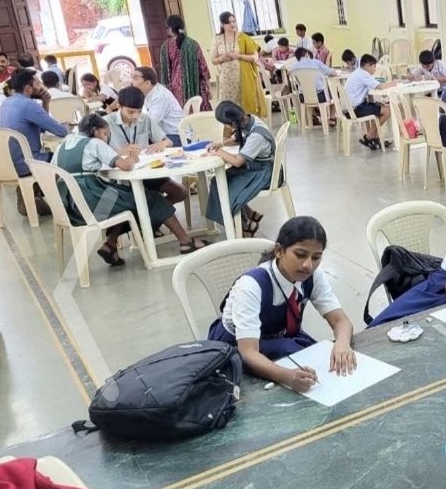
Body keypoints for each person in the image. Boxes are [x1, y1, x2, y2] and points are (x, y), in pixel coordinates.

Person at [208, 215, 356, 392]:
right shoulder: (251, 286)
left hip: (279, 337)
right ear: (279, 251)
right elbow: (248, 352)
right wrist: (288, 377)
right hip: (238, 347)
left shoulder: (313, 277)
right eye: (300, 255)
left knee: (320, 359)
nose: (308, 265)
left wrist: (342, 343)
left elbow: (341, 320)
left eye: (316, 257)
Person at [53, 112, 206, 265]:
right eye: (105, 134)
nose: (106, 138)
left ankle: (110, 245)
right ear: (95, 131)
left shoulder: (61, 147)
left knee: (125, 199)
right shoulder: (94, 144)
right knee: (150, 198)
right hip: (94, 203)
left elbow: (53, 175)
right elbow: (126, 166)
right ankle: (186, 242)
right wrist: (133, 158)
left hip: (71, 207)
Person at [104, 86, 188, 208]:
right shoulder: (105, 123)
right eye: (130, 112)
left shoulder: (145, 118)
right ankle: (151, 215)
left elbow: (168, 141)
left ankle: (151, 215)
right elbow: (97, 154)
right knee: (137, 201)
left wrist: (162, 143)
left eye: (138, 111)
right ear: (119, 107)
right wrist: (120, 151)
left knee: (181, 192)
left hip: (145, 172)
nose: (135, 116)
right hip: (120, 176)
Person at [0, 69, 65, 217]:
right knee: (65, 159)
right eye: (37, 83)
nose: (41, 86)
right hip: (28, 163)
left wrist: (45, 103)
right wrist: (67, 127)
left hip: (7, 164)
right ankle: (64, 205)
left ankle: (29, 195)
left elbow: (41, 127)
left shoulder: (7, 103)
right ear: (28, 88)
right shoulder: (28, 105)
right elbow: (60, 131)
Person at [205, 101, 275, 237]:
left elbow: (237, 162)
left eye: (226, 123)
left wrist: (218, 152)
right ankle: (248, 215)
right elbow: (237, 138)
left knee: (227, 189)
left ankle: (244, 225)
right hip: (254, 168)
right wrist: (221, 143)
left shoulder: (257, 136)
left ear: (232, 122)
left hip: (262, 173)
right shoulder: (249, 120)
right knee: (218, 181)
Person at [211, 11, 267, 119]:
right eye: (228, 22)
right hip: (226, 80)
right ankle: (230, 131)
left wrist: (238, 56)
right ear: (222, 25)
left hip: (242, 77)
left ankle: (246, 129)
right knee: (227, 106)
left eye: (234, 21)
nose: (232, 24)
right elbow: (213, 60)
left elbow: (254, 57)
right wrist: (222, 58)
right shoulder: (217, 39)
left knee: (243, 106)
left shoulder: (243, 37)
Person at [159, 14, 212, 113]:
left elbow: (165, 71)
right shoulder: (193, 44)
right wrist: (208, 87)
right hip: (195, 84)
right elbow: (203, 67)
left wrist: (165, 90)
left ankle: (186, 127)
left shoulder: (166, 46)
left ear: (170, 28)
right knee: (198, 109)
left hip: (176, 87)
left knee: (181, 112)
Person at [344, 53, 395, 150]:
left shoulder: (357, 72)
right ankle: (369, 136)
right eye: (373, 67)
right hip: (354, 110)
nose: (375, 70)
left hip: (349, 108)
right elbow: (381, 87)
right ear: (368, 66)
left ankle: (375, 139)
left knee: (378, 107)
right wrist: (393, 83)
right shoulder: (364, 75)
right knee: (387, 111)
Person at [132, 66, 184, 146]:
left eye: (135, 78)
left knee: (140, 146)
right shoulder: (148, 93)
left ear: (147, 83)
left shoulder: (160, 96)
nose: (132, 82)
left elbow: (149, 123)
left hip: (177, 136)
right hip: (163, 134)